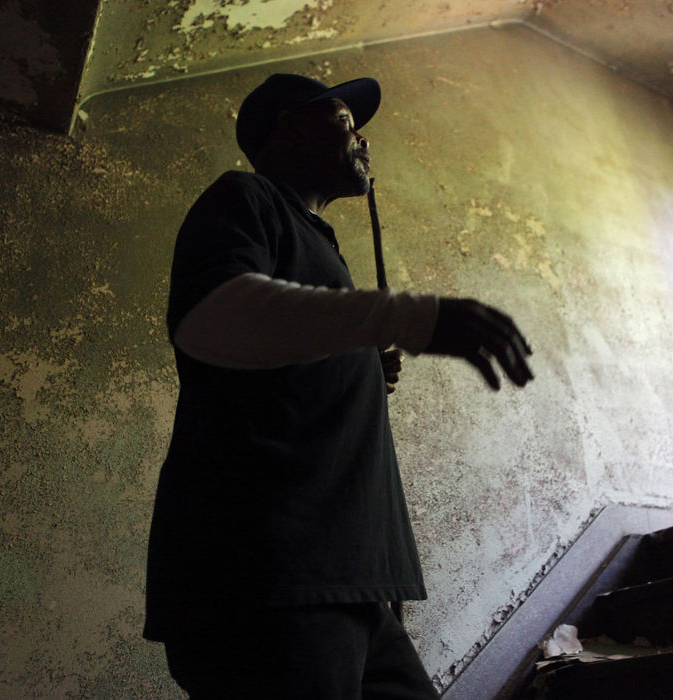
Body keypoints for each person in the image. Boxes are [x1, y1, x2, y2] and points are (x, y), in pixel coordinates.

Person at [143, 73, 534, 698]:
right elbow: (210, 316)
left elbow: (281, 360)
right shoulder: (246, 197)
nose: (364, 140)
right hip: (269, 579)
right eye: (346, 119)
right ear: (291, 127)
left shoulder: (321, 250)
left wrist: (353, 364)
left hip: (353, 584)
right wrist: (409, 315)